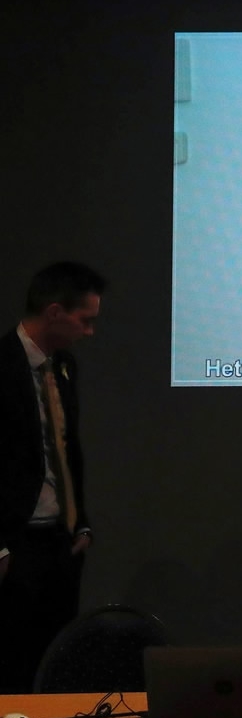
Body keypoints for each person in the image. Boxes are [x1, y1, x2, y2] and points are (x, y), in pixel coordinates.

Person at [0, 261, 105, 692]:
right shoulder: (2, 365)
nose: (90, 331)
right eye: (85, 320)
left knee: (56, 663)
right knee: (14, 664)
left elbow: (66, 449)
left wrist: (81, 524)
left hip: (61, 543)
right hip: (15, 543)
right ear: (55, 312)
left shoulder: (64, 366)